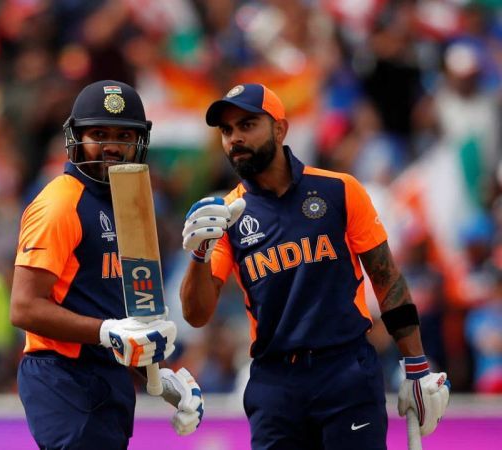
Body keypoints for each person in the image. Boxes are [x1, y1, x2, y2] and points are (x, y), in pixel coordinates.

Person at [179, 83, 450, 449]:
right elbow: (197, 314)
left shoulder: (339, 190)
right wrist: (197, 254)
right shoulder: (225, 215)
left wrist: (416, 367)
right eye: (226, 131)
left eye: (247, 125)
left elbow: (387, 279)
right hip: (275, 382)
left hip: (345, 371)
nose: (234, 139)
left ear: (279, 129)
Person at [10, 80, 204, 450]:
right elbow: (23, 307)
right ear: (76, 138)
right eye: (99, 134)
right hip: (63, 375)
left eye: (123, 135)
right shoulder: (59, 204)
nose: (112, 146)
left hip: (107, 377)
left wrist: (161, 379)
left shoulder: (129, 201)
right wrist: (108, 332)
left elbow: (125, 317)